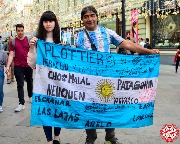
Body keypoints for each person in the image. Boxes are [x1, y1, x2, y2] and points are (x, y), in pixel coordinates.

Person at [76, 6, 160, 144]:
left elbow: (126, 43)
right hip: (88, 81)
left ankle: (110, 138)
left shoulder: (107, 32)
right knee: (88, 108)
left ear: (97, 17)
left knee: (110, 106)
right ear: (82, 20)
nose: (90, 19)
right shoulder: (78, 36)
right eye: (86, 17)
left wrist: (148, 51)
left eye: (92, 15)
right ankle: (90, 137)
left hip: (107, 79)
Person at [27, 11, 61, 144]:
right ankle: (49, 139)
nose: (48, 24)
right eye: (45, 21)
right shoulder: (37, 41)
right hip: (43, 83)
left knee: (58, 108)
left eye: (51, 21)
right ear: (42, 23)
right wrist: (31, 48)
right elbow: (32, 64)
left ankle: (57, 137)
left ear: (55, 23)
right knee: (45, 110)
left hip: (59, 83)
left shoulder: (60, 40)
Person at [5, 24, 33, 112]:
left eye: (21, 31)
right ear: (16, 31)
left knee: (29, 81)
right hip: (18, 66)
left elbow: (33, 51)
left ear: (23, 30)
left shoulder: (28, 40)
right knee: (20, 85)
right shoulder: (13, 42)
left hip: (28, 65)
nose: (20, 32)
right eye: (18, 31)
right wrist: (8, 66)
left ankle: (30, 95)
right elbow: (11, 54)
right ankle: (21, 103)